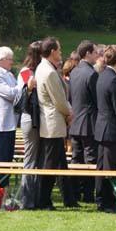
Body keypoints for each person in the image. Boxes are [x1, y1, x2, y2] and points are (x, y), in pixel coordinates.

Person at [36, 37, 77, 209]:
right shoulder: (49, 72)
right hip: (52, 123)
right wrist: (69, 113)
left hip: (53, 122)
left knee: (60, 164)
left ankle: (69, 199)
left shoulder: (43, 68)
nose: (60, 53)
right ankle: (43, 200)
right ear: (52, 51)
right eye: (59, 50)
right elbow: (59, 100)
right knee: (50, 164)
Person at [93, 45, 116, 213]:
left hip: (101, 127)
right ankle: (107, 201)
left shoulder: (102, 75)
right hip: (111, 129)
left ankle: (101, 199)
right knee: (110, 168)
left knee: (102, 167)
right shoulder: (114, 80)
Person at [68, 40, 99, 203]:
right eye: (95, 53)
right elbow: (97, 100)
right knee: (90, 159)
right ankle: (88, 194)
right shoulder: (92, 74)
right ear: (87, 53)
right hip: (89, 123)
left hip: (75, 122)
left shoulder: (74, 72)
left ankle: (75, 193)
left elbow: (71, 98)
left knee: (76, 158)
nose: (97, 56)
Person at [0, 47, 19, 186]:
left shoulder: (9, 74)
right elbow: (11, 94)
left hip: (10, 121)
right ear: (1, 60)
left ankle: (3, 185)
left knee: (8, 156)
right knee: (3, 156)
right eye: (10, 59)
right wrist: (23, 86)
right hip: (3, 122)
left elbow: (15, 92)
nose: (12, 62)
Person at [16, 42, 40, 210]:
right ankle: (26, 198)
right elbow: (25, 94)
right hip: (29, 117)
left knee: (34, 159)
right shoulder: (26, 72)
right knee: (30, 159)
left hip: (34, 118)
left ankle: (34, 197)